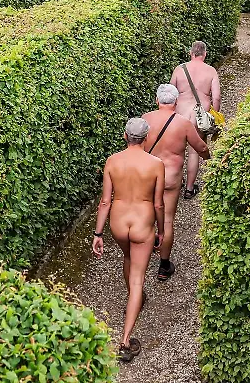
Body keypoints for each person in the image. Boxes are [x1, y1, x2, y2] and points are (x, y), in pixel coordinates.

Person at [92, 117, 165, 363]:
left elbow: (105, 201)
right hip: (143, 223)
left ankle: (134, 299)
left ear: (125, 136)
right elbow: (158, 204)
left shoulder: (112, 161)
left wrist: (98, 234)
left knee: (128, 256)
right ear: (146, 138)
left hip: (118, 223)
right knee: (137, 279)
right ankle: (125, 341)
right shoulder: (156, 164)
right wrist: (161, 231)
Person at [141, 84, 211, 280]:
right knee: (167, 220)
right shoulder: (183, 123)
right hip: (170, 178)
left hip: (148, 175)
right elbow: (201, 147)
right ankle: (164, 266)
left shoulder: (145, 119)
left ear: (157, 100)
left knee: (147, 216)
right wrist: (210, 159)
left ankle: (143, 254)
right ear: (176, 102)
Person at [170, 41, 221, 199]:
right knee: (193, 152)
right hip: (199, 116)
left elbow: (171, 93)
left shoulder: (179, 69)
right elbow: (216, 97)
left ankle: (176, 182)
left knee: (177, 150)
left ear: (190, 53)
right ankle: (189, 189)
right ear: (205, 54)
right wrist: (213, 115)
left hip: (180, 114)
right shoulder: (211, 71)